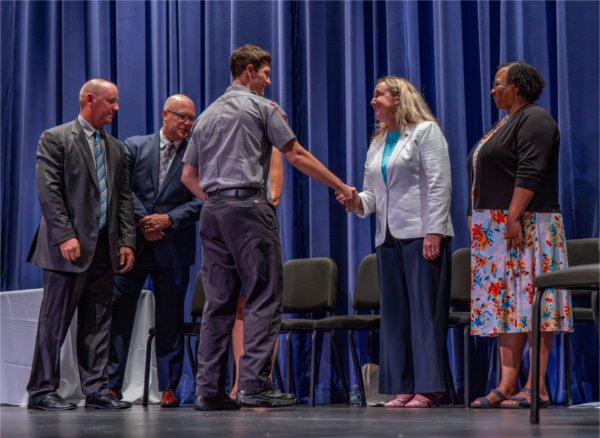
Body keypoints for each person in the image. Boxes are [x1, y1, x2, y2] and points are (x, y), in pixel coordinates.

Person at [181, 44, 355, 411]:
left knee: (218, 303)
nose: (268, 80)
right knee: (263, 295)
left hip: (213, 213)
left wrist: (215, 200)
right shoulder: (261, 108)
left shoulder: (207, 114)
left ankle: (207, 390)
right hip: (248, 208)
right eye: (264, 73)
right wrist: (340, 186)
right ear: (247, 70)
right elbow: (295, 154)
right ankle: (254, 386)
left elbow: (187, 176)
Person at [340, 76, 454, 408]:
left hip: (422, 233)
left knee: (423, 311)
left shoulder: (425, 132)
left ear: (399, 99)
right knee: (395, 313)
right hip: (387, 237)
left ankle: (430, 387)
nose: (373, 101)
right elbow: (372, 195)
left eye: (380, 95)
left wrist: (434, 229)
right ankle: (403, 385)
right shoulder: (378, 143)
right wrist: (355, 201)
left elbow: (439, 182)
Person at [26, 79, 136, 410]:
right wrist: (64, 235)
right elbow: (49, 191)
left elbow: (124, 199)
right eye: (111, 101)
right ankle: (42, 390)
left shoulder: (115, 147)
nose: (116, 108)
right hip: (67, 249)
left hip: (104, 248)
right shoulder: (56, 138)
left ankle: (97, 390)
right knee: (54, 320)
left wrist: (127, 241)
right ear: (90, 99)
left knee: (99, 321)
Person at [468, 62, 572, 408]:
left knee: (533, 304)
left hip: (528, 225)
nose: (493, 91)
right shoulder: (505, 123)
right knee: (505, 306)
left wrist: (513, 216)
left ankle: (537, 386)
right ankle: (507, 383)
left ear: (518, 87)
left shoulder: (535, 119)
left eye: (499, 84)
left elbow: (531, 169)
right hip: (498, 231)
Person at [107, 95, 202, 408]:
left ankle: (169, 389)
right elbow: (120, 188)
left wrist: (169, 219)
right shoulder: (135, 145)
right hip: (133, 246)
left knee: (170, 321)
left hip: (173, 248)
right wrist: (146, 219)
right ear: (165, 114)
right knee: (120, 314)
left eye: (191, 119)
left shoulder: (197, 154)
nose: (187, 124)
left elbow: (204, 199)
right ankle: (110, 386)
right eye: (182, 117)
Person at [229, 147, 283, 400]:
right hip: (229, 232)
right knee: (238, 306)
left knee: (262, 307)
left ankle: (262, 379)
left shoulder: (269, 148)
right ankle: (240, 379)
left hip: (257, 229)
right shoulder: (229, 145)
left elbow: (274, 195)